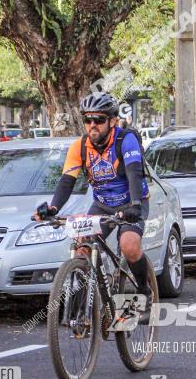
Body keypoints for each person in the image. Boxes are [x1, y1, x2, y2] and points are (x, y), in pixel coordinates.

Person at [34, 92, 153, 322]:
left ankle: (144, 292)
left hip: (131, 202)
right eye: (87, 120)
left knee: (128, 245)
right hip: (102, 205)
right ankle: (82, 311)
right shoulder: (79, 147)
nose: (92, 125)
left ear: (112, 121)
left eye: (98, 119)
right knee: (82, 249)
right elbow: (67, 181)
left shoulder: (125, 139)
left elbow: (134, 173)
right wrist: (53, 208)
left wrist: (136, 204)